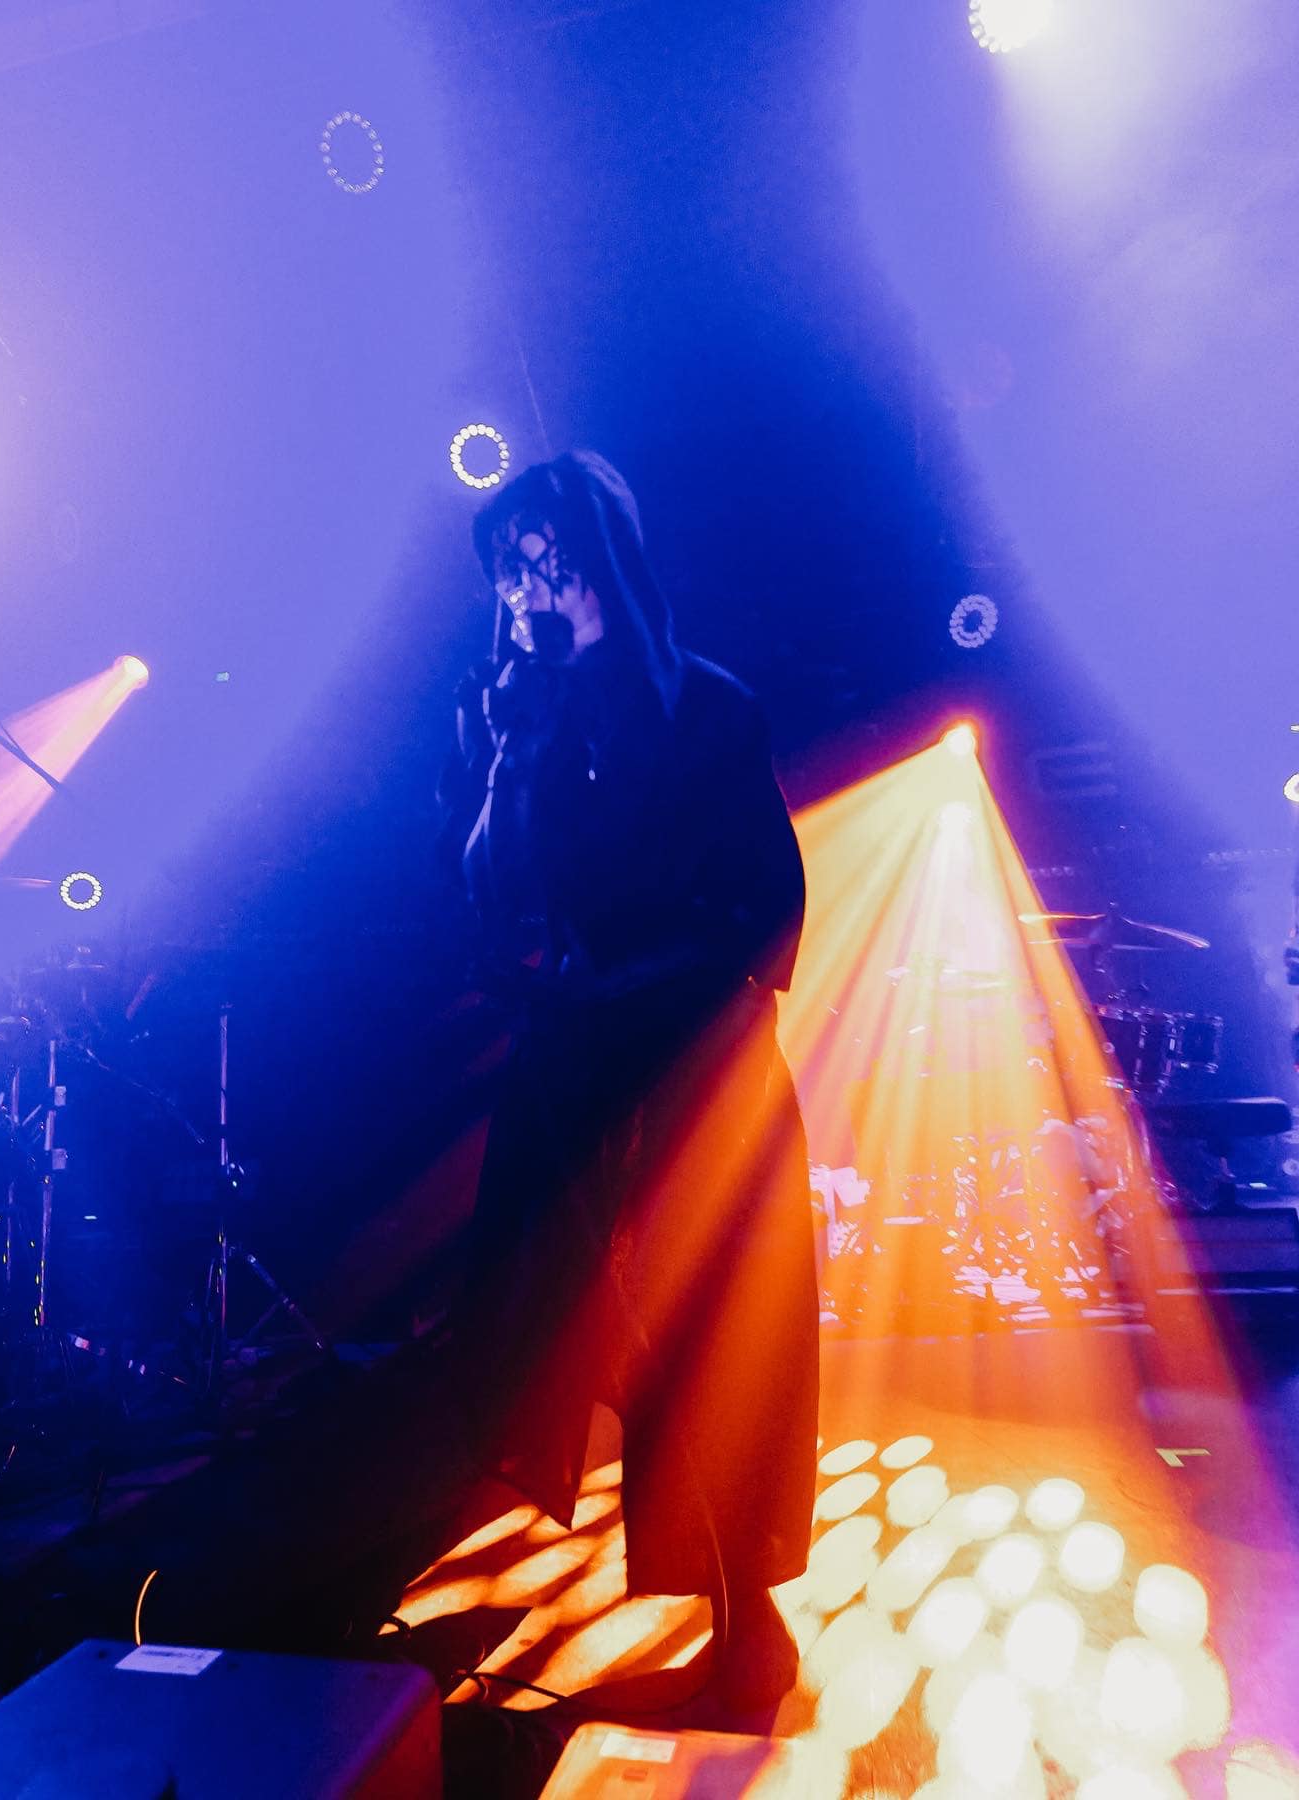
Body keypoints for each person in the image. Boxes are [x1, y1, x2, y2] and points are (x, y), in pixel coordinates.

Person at [444, 450, 819, 1706]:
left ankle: (744, 1612)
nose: (523, 590)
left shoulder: (707, 708)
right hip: (576, 1069)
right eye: (507, 571)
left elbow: (764, 904)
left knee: (709, 1334)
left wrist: (652, 991)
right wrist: (510, 754)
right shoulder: (516, 713)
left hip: (698, 1068)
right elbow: (489, 890)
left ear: (598, 559)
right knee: (528, 1328)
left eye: (542, 559)